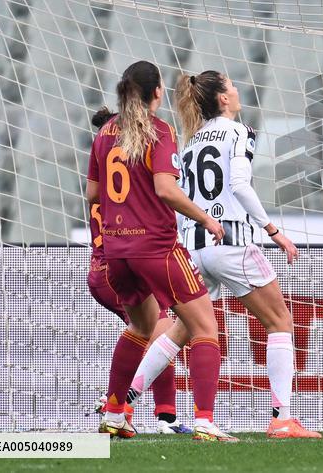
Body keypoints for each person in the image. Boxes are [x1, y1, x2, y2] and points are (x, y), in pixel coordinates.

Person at [125, 71, 321, 438]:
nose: (236, 89)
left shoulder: (190, 143)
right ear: (223, 99)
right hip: (231, 239)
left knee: (183, 329)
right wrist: (273, 231)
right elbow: (238, 185)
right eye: (231, 85)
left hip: (194, 247)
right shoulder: (239, 132)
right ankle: (282, 418)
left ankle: (124, 404)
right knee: (280, 321)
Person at [87, 60, 235, 442]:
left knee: (140, 327)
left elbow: (91, 194)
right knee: (204, 327)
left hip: (116, 253)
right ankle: (204, 421)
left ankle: (116, 414)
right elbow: (166, 189)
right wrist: (206, 219)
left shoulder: (104, 132)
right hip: (156, 247)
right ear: (157, 93)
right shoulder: (159, 131)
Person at [86, 117, 189, 434]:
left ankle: (118, 406)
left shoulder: (109, 182)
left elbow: (92, 196)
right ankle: (160, 417)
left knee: (146, 332)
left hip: (101, 269)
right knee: (163, 331)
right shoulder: (133, 187)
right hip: (121, 266)